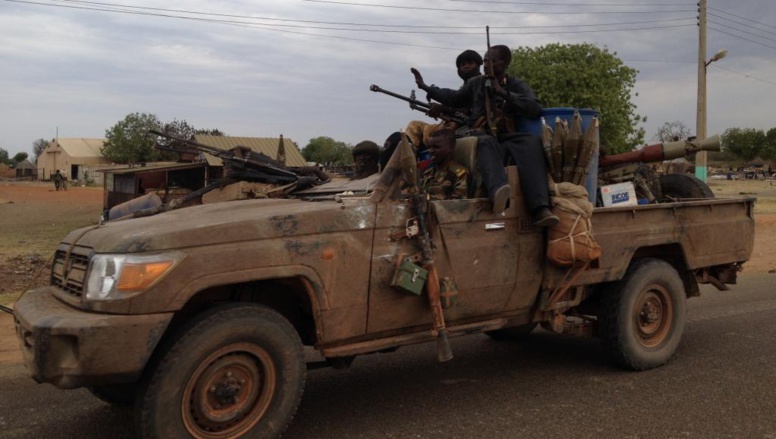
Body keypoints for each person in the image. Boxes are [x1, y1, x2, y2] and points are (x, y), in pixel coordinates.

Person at [411, 45, 558, 227]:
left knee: (530, 143)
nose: (486, 64)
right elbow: (453, 98)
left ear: (503, 63)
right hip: (480, 132)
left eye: (491, 60)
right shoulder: (476, 83)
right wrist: (427, 88)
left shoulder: (515, 84)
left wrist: (503, 92)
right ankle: (498, 192)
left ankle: (540, 209)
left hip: (504, 135)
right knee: (484, 142)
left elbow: (534, 108)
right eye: (486, 59)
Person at [421, 129, 469, 200]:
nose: (431, 151)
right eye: (429, 147)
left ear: (451, 148)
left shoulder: (459, 174)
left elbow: (458, 204)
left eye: (436, 147)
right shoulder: (428, 173)